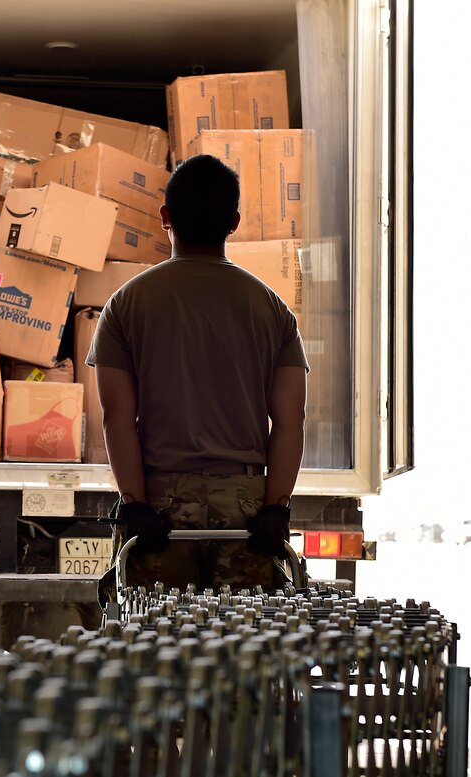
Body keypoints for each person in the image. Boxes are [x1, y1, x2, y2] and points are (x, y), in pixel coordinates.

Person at [86, 154, 309, 594]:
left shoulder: (125, 305)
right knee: (245, 648)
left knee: (157, 645)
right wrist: (275, 508)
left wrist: (134, 506)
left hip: (160, 509)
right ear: (235, 221)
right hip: (246, 510)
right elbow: (289, 420)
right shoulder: (272, 309)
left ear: (165, 217)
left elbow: (117, 419)